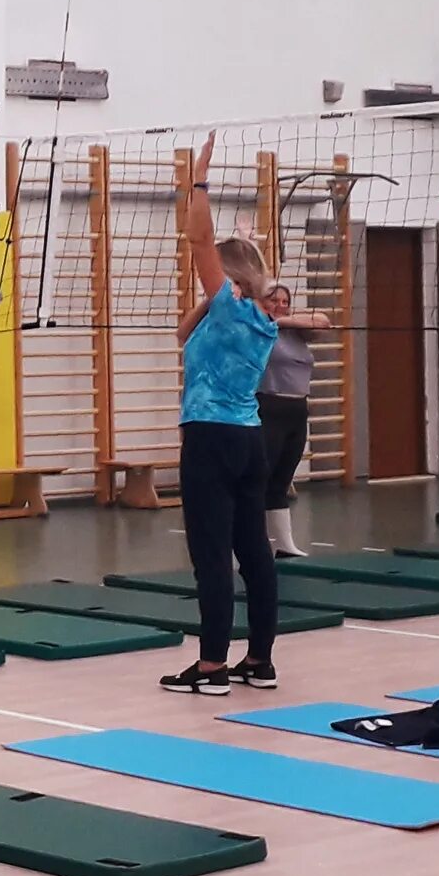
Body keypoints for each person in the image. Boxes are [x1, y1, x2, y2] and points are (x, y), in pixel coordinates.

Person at [162, 135, 282, 696]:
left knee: (212, 555)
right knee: (254, 552)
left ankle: (211, 667)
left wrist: (201, 178)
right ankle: (259, 660)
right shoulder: (262, 316)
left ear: (227, 278)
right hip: (249, 440)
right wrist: (226, 283)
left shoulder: (233, 309)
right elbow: (182, 334)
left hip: (210, 439)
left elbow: (198, 237)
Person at [255, 281, 331, 559]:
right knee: (260, 478)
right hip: (269, 405)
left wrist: (285, 318)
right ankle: (251, 544)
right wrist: (272, 316)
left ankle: (283, 543)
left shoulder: (297, 332)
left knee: (282, 479)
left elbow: (324, 322)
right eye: (274, 301)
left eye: (285, 301)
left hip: (297, 410)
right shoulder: (262, 328)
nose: (280, 305)